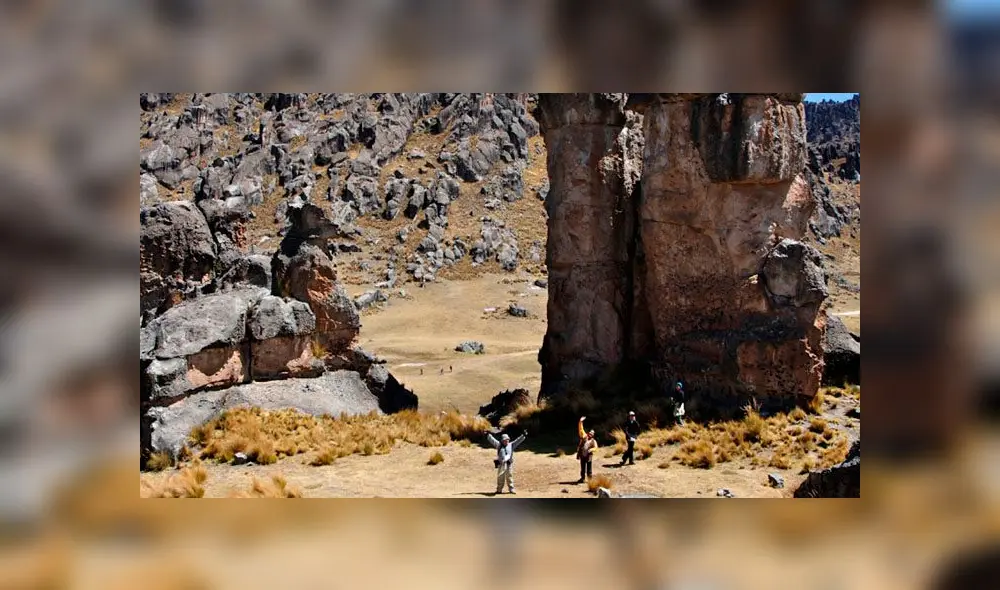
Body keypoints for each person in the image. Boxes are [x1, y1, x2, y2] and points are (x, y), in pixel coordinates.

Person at [486, 430, 527, 494]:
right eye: (505, 440)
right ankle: (499, 490)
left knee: (509, 476)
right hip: (501, 464)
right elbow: (492, 440)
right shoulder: (498, 445)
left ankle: (511, 489)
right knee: (500, 477)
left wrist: (523, 435)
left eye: (507, 440)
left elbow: (518, 441)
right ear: (502, 440)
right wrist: (488, 435)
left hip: (509, 463)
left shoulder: (511, 445)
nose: (506, 441)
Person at [576, 417, 598, 483]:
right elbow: (581, 429)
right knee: (583, 468)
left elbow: (596, 447)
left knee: (589, 469)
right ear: (588, 433)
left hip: (589, 456)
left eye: (592, 433)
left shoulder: (593, 441)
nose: (590, 434)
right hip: (582, 455)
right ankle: (582, 478)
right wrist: (580, 422)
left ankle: (590, 480)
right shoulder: (584, 436)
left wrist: (591, 449)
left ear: (593, 435)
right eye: (590, 433)